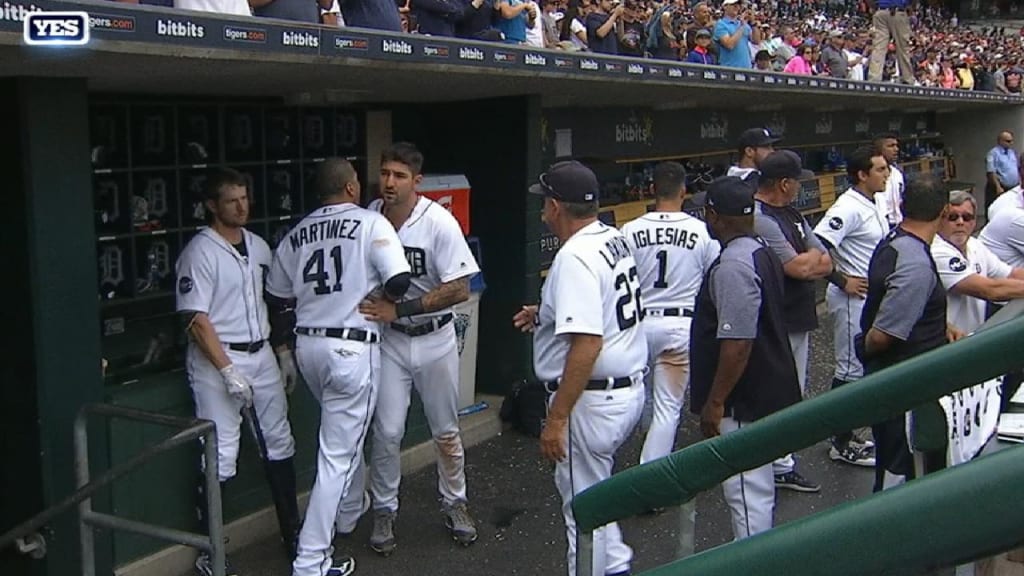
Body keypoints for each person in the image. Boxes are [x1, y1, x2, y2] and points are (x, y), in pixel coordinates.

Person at [266, 159, 412, 576]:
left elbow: (277, 297)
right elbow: (399, 282)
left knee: (341, 441)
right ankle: (311, 561)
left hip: (309, 346)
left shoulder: (296, 233)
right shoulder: (370, 223)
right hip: (352, 346)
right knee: (337, 457)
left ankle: (348, 513)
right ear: (351, 188)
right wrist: (381, 295)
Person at [513, 160, 646, 576]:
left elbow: (587, 344)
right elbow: (602, 308)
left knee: (582, 513)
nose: (541, 212)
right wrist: (548, 314)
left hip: (592, 401)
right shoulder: (611, 237)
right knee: (599, 500)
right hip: (625, 390)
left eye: (544, 204)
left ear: (556, 207)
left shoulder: (573, 258)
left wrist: (556, 419)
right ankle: (618, 568)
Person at [357, 143, 481, 556]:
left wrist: (402, 308)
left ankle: (455, 502)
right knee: (388, 432)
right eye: (385, 173)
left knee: (445, 430)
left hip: (433, 338)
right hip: (390, 342)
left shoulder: (438, 222)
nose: (389, 182)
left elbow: (461, 288)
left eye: (399, 175)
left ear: (417, 181)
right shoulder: (371, 216)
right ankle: (384, 509)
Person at [175, 168, 300, 576]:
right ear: (213, 205)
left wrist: (282, 353)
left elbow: (273, 300)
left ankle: (295, 538)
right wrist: (228, 370)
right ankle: (210, 552)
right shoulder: (200, 251)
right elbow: (196, 320)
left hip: (260, 352)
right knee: (221, 454)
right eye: (232, 200)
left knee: (280, 442)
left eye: (245, 198)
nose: (241, 206)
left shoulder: (260, 246)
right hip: (218, 359)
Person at [689, 175, 802, 540]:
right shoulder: (759, 249)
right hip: (767, 386)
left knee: (746, 494)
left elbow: (737, 342)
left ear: (713, 216)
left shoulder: (734, 265)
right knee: (758, 491)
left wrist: (716, 402)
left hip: (744, 399)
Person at [858, 176, 963, 492]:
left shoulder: (898, 240)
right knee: (901, 476)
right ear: (944, 212)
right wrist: (865, 348)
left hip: (903, 380)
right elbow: (883, 335)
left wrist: (941, 327)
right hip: (902, 386)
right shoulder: (914, 261)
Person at [620, 162, 719, 469]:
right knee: (667, 407)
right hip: (679, 324)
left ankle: (631, 457)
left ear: (652, 190)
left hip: (638, 323)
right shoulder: (701, 231)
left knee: (641, 397)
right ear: (684, 192)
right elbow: (713, 279)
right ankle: (651, 477)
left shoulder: (630, 230)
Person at [753, 151, 830, 493]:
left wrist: (809, 260)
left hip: (799, 314)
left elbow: (827, 260)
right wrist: (809, 260)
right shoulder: (761, 217)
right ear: (784, 183)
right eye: (797, 180)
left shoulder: (792, 213)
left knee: (793, 391)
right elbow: (797, 267)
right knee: (774, 392)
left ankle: (779, 461)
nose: (800, 185)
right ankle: (774, 464)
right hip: (776, 317)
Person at [813, 146, 890, 468]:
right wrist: (840, 279)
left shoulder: (872, 201)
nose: (886, 174)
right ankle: (840, 442)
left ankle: (848, 435)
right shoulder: (847, 207)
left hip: (869, 298)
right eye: (880, 169)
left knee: (862, 367)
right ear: (862, 174)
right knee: (849, 370)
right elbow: (817, 246)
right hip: (851, 299)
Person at [866, 0, 913, 84]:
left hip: (880, 11)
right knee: (903, 49)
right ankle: (907, 79)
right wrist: (910, 6)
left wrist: (873, 7)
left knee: (878, 48)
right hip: (898, 11)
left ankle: (874, 79)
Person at [713, 0, 757, 70]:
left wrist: (753, 23)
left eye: (738, 5)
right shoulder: (720, 24)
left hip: (747, 68)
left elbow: (756, 41)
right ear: (725, 7)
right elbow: (729, 45)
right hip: (729, 69)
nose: (737, 7)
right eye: (733, 5)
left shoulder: (743, 23)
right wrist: (742, 26)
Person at [873, 132, 905, 229]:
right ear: (879, 150)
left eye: (896, 145)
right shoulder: (872, 176)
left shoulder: (897, 173)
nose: (896, 149)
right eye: (891, 146)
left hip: (899, 223)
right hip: (880, 225)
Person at [985, 131, 1020, 215]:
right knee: (995, 210)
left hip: (1012, 187)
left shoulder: (1012, 153)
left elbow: (1017, 168)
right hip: (999, 187)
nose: (1011, 143)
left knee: (1010, 211)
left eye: (1011, 141)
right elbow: (991, 171)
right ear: (1000, 141)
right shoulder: (993, 153)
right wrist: (998, 187)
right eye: (1008, 141)